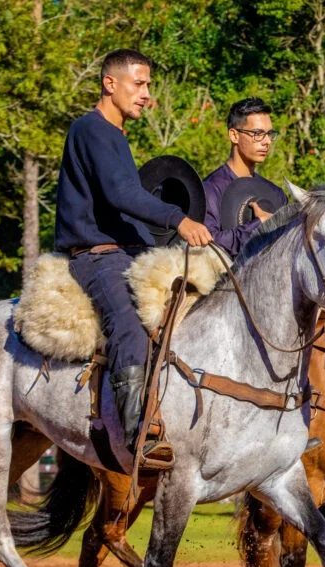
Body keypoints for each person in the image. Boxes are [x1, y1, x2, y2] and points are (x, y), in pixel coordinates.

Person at [54, 49, 212, 451]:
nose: (146, 95)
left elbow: (124, 201)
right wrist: (179, 219)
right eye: (139, 84)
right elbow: (122, 194)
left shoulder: (115, 137)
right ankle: (137, 433)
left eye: (148, 86)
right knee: (128, 323)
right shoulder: (92, 130)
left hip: (126, 252)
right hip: (97, 257)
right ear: (111, 83)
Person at [202, 97, 288, 258]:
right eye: (257, 133)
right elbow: (209, 244)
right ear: (234, 135)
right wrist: (258, 225)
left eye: (270, 134)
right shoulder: (210, 189)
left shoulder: (277, 194)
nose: (267, 141)